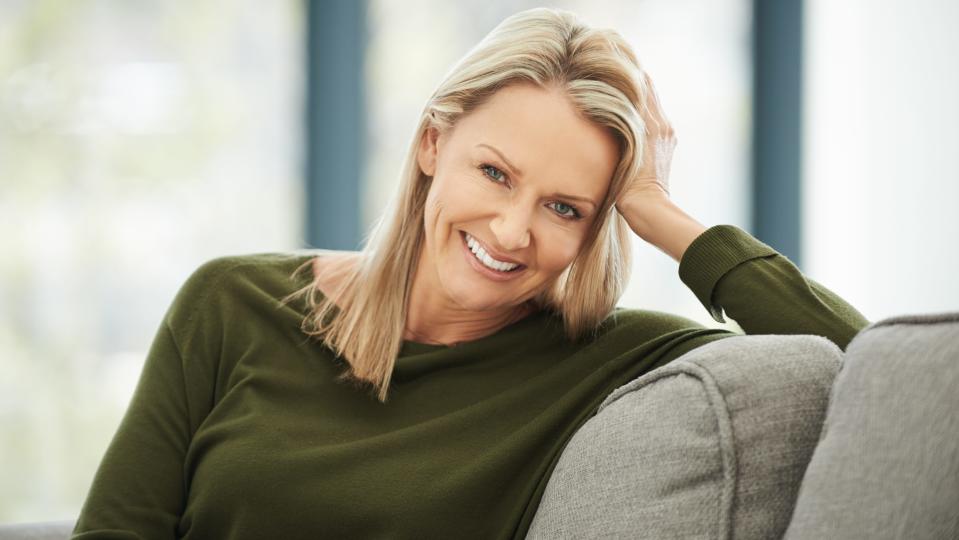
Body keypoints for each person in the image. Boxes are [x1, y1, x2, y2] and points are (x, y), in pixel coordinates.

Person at [72, 7, 869, 540]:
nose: (512, 231)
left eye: (566, 209)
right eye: (494, 173)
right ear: (430, 145)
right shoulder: (232, 303)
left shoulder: (604, 360)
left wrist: (660, 212)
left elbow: (892, 377)